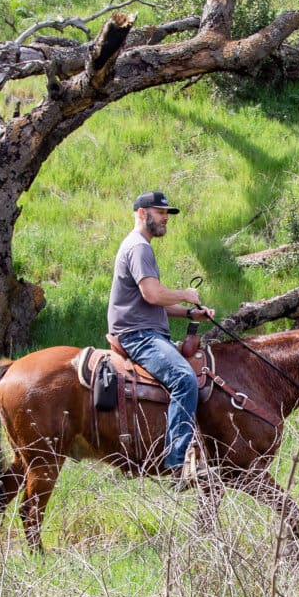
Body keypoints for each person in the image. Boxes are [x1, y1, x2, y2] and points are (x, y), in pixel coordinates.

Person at [108, 189, 214, 484]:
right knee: (184, 378)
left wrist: (192, 315)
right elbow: (153, 295)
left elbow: (152, 303)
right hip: (138, 335)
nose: (165, 218)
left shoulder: (139, 246)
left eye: (167, 213)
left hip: (144, 328)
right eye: (160, 212)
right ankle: (178, 461)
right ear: (142, 214)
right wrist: (186, 294)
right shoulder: (139, 248)